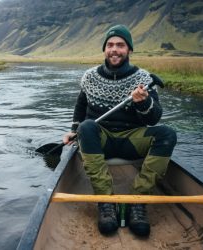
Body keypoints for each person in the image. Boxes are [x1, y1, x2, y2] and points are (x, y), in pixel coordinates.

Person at [63, 25, 177, 237]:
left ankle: (138, 201)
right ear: (105, 49)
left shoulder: (143, 79)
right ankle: (105, 202)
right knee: (87, 127)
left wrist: (143, 103)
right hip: (100, 140)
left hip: (131, 140)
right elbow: (80, 107)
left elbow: (154, 118)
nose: (115, 49)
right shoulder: (89, 77)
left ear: (129, 50)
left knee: (167, 134)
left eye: (120, 45)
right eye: (110, 45)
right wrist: (73, 130)